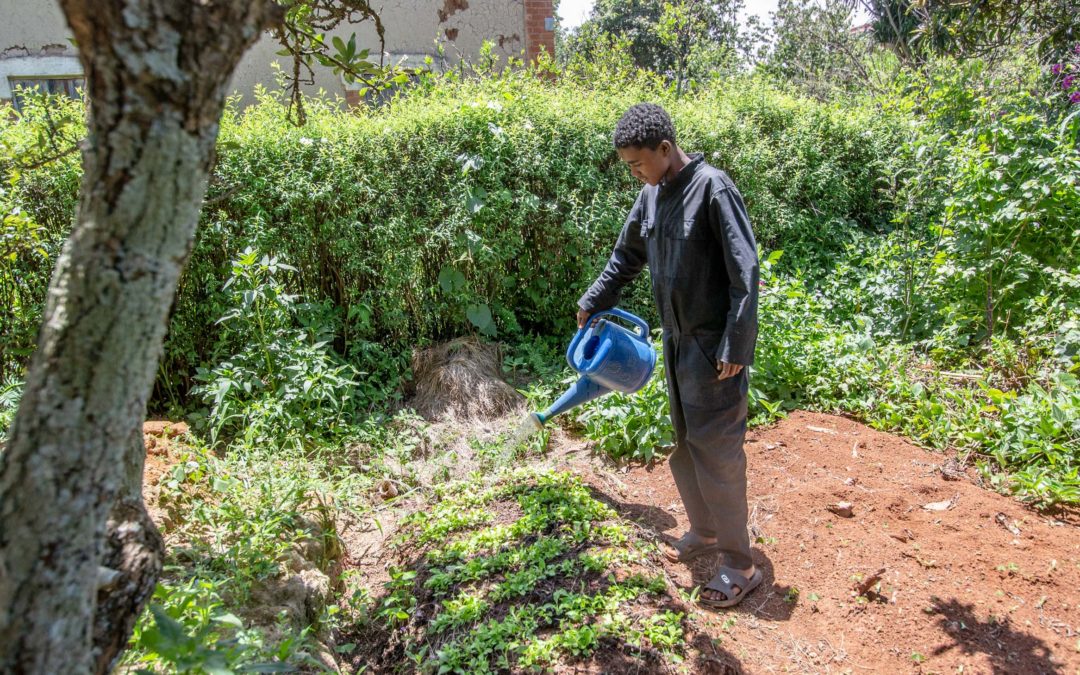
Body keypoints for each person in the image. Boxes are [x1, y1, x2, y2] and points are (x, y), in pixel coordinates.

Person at [577, 102, 761, 608]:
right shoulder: (652, 196)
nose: (634, 174)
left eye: (638, 164)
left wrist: (736, 345)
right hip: (676, 343)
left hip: (712, 347)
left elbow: (745, 274)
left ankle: (741, 565)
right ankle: (704, 531)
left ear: (664, 149)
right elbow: (625, 258)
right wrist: (593, 300)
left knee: (718, 451)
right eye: (628, 168)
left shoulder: (713, 190)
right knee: (685, 443)